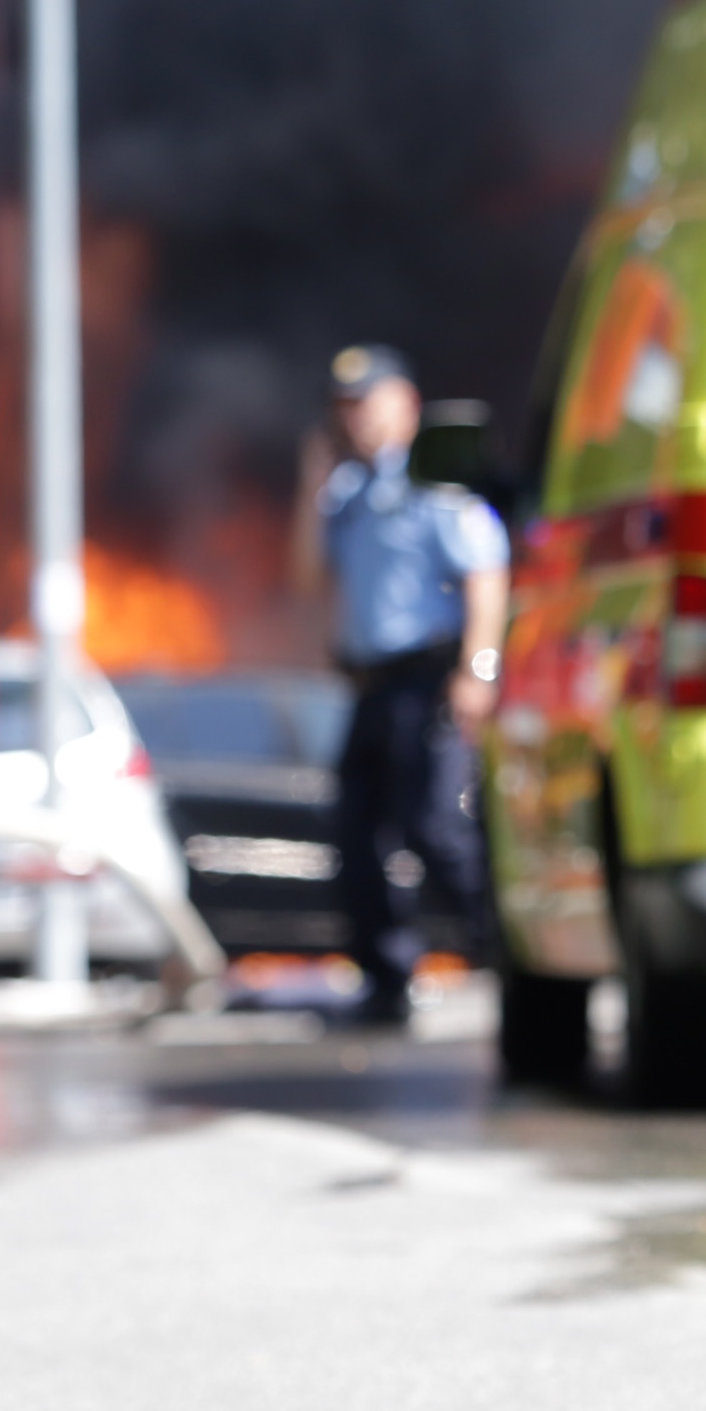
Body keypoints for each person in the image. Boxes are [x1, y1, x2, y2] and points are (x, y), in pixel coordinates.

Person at [290, 344, 510, 1028]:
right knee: (355, 832)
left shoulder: (435, 480)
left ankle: (505, 956)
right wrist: (310, 484)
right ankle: (384, 976)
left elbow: (486, 576)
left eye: (367, 403)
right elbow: (305, 575)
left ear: (405, 406)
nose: (354, 419)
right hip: (371, 687)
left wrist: (478, 673)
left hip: (428, 681)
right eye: (345, 407)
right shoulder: (346, 493)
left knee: (439, 827)